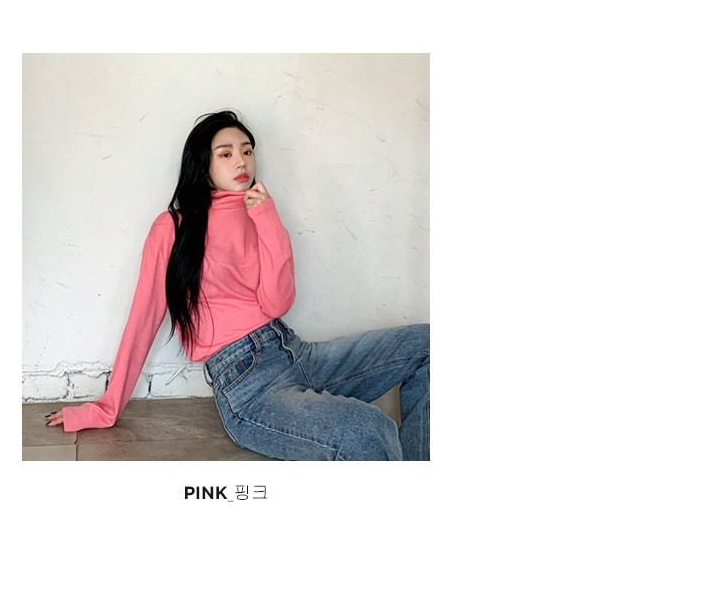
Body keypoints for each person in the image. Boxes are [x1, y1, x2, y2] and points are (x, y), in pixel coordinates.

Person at [44, 111, 430, 461]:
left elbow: (276, 303)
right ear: (203, 164)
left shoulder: (258, 214)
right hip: (249, 385)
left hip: (296, 354)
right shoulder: (173, 227)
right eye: (226, 154)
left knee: (431, 345)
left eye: (247, 151)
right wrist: (107, 407)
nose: (241, 161)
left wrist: (267, 218)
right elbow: (143, 318)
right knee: (368, 428)